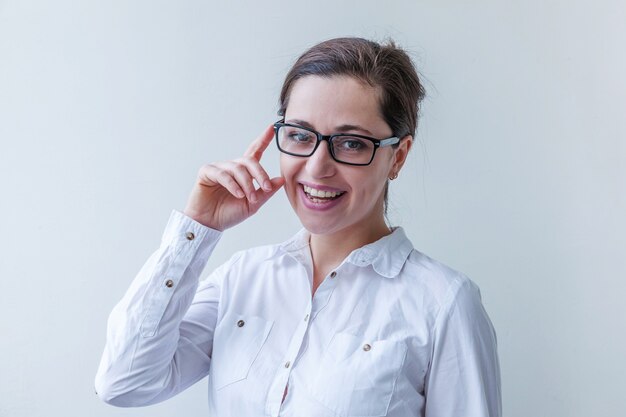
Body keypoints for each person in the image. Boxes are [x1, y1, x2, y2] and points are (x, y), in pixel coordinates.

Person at [95, 37, 501, 417]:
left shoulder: (443, 303)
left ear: (397, 157)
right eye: (300, 135)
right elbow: (125, 381)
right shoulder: (243, 278)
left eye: (352, 143)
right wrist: (197, 228)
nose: (316, 167)